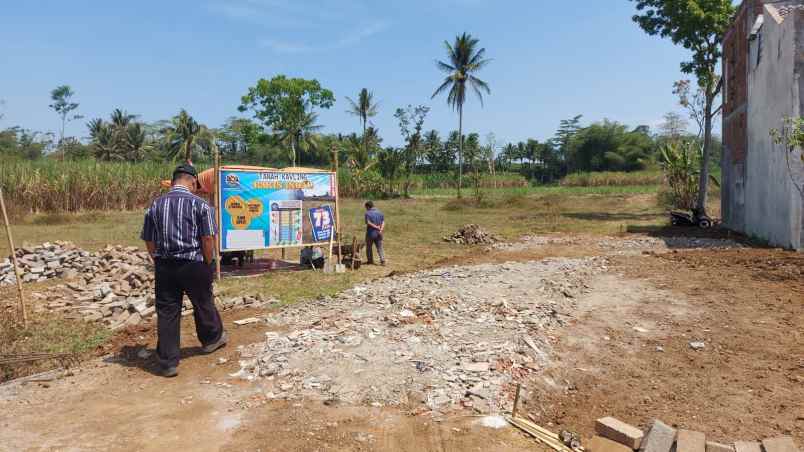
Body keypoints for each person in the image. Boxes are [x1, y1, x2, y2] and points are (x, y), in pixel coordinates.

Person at [141, 164, 227, 377]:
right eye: (195, 184)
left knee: (168, 311)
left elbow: (149, 239)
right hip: (193, 263)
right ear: (191, 181)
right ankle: (211, 340)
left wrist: (158, 259)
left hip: (165, 266)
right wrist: (208, 262)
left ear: (173, 181)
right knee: (203, 302)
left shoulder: (155, 205)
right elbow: (207, 238)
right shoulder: (201, 205)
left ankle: (168, 361)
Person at [364, 200, 385, 265]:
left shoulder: (367, 213)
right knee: (380, 247)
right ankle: (383, 260)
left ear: (368, 207)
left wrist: (376, 227)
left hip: (371, 233)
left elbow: (368, 222)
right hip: (379, 233)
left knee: (369, 247)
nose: (366, 209)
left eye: (366, 207)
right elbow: (383, 222)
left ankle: (370, 261)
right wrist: (381, 230)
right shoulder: (380, 212)